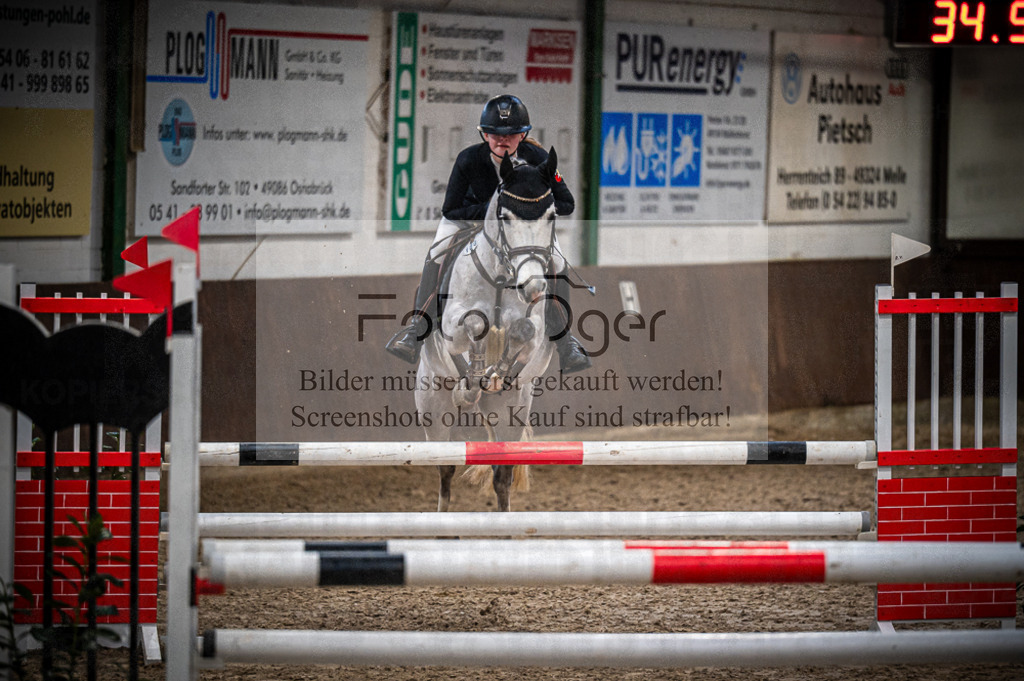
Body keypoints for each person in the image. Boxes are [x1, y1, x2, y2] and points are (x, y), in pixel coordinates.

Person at [385, 94, 591, 374]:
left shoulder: (541, 160)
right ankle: (416, 329)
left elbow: (567, 203)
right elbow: (450, 209)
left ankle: (566, 341)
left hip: (524, 226)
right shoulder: (468, 159)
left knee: (558, 261)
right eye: (495, 133)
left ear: (523, 135)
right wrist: (492, 211)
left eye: (511, 134)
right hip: (469, 220)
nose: (502, 140)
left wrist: (530, 209)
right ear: (484, 134)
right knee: (436, 252)